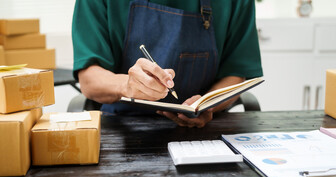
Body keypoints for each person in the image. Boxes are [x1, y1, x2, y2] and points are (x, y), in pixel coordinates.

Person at [72, 0, 263, 128]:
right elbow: (89, 80)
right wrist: (126, 86)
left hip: (204, 131)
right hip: (122, 126)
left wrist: (208, 104)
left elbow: (236, 73)